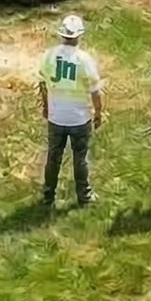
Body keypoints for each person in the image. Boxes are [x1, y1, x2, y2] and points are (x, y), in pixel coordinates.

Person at [36, 13, 103, 208]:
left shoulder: (49, 55)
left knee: (53, 157)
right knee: (80, 158)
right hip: (79, 118)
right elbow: (95, 91)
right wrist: (98, 112)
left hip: (56, 117)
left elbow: (42, 84)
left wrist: (46, 107)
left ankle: (48, 196)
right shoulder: (84, 60)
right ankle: (84, 196)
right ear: (79, 35)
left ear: (62, 35)